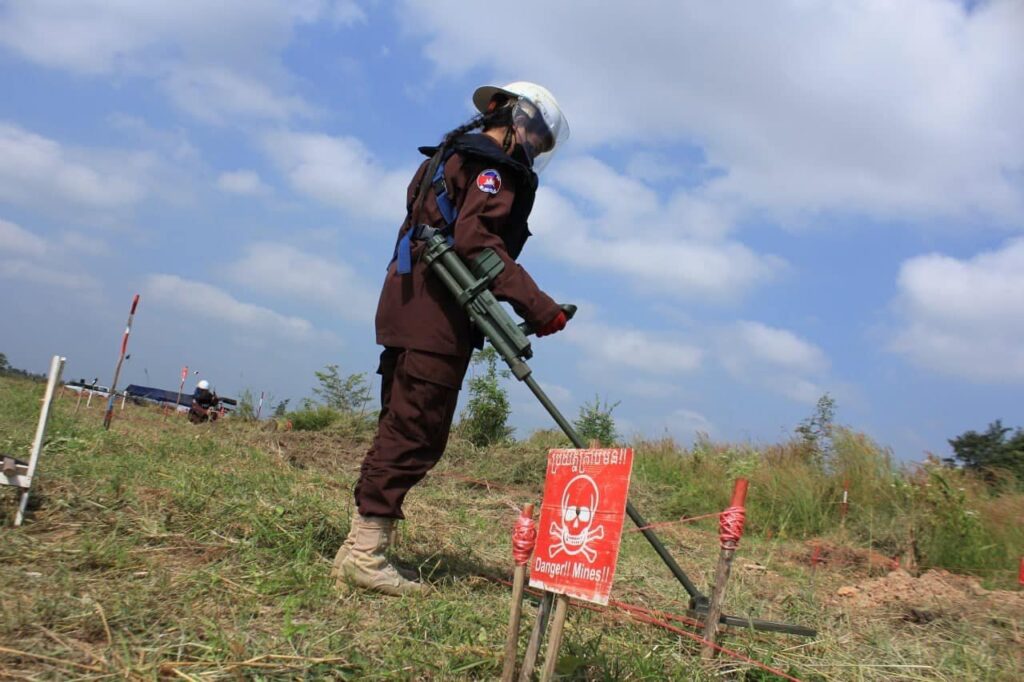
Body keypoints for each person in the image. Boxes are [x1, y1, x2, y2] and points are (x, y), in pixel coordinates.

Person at [332, 81, 571, 596]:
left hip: (404, 304)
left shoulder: (448, 156)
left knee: (398, 427)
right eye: (535, 135)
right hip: (435, 319)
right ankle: (366, 555)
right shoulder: (490, 167)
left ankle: (356, 547)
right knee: (415, 434)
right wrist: (538, 306)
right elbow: (476, 242)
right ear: (514, 118)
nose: (534, 148)